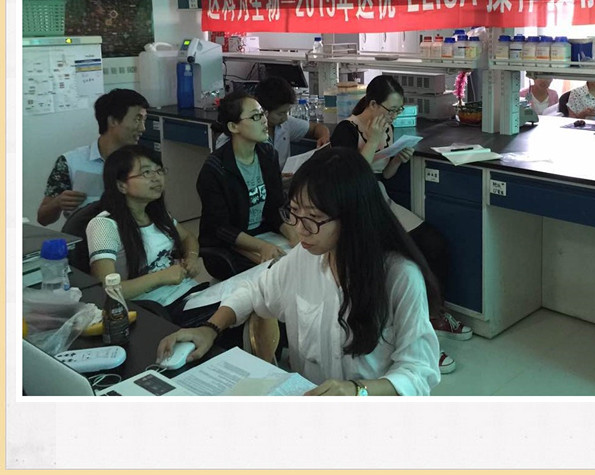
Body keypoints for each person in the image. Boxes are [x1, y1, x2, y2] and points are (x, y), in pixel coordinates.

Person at [157, 148, 443, 396]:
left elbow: (419, 370)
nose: (299, 229)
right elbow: (255, 291)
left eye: (314, 219)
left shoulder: (399, 277)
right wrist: (209, 329)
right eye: (294, 212)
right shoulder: (305, 258)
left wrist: (358, 390)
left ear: (353, 218)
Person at [330, 74, 470, 375]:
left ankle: (435, 315)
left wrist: (397, 159)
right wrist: (373, 141)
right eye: (390, 110)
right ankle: (414, 339)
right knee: (403, 265)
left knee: (433, 244)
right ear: (372, 103)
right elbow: (349, 178)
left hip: (380, 200)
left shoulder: (387, 127)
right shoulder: (346, 130)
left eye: (398, 110)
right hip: (355, 209)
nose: (393, 116)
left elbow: (384, 175)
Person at [86, 144, 213, 327]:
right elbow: (106, 289)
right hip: (159, 309)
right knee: (245, 303)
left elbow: (188, 238)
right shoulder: (104, 225)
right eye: (146, 172)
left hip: (191, 293)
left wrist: (191, 257)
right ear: (121, 185)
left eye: (159, 170)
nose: (156, 178)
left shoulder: (156, 214)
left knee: (250, 295)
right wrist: (161, 277)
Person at [196, 91, 297, 279]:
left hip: (263, 234)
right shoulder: (215, 169)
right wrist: (261, 247)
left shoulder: (267, 155)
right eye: (255, 117)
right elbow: (221, 228)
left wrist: (292, 233)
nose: (264, 121)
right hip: (226, 246)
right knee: (276, 275)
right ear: (233, 126)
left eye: (263, 114)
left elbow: (275, 206)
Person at [38, 88, 149, 226]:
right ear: (113, 121)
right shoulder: (70, 162)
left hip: (132, 234)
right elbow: (42, 219)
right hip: (84, 236)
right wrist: (57, 203)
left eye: (144, 120)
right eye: (137, 119)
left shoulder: (143, 162)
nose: (143, 128)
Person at [216, 77, 330, 172]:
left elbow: (316, 128)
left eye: (286, 112)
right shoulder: (228, 143)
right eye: (280, 113)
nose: (285, 118)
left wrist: (324, 137)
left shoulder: (285, 124)